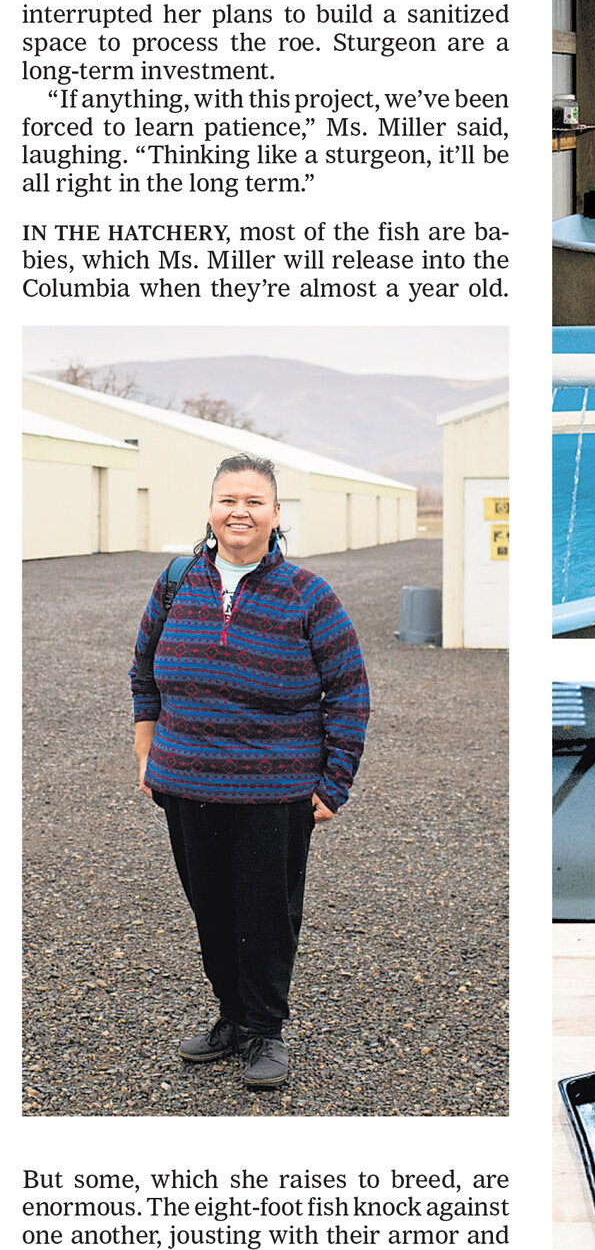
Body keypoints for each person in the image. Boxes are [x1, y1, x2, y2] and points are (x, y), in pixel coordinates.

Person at [130, 450, 369, 1091]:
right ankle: (231, 1019)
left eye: (253, 501)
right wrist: (146, 753)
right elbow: (143, 673)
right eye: (228, 500)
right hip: (184, 784)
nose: (240, 511)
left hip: (275, 791)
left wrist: (333, 784)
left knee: (265, 915)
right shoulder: (177, 581)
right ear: (211, 509)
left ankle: (265, 1031)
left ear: (274, 514)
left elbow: (349, 691)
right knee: (210, 908)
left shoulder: (309, 594)